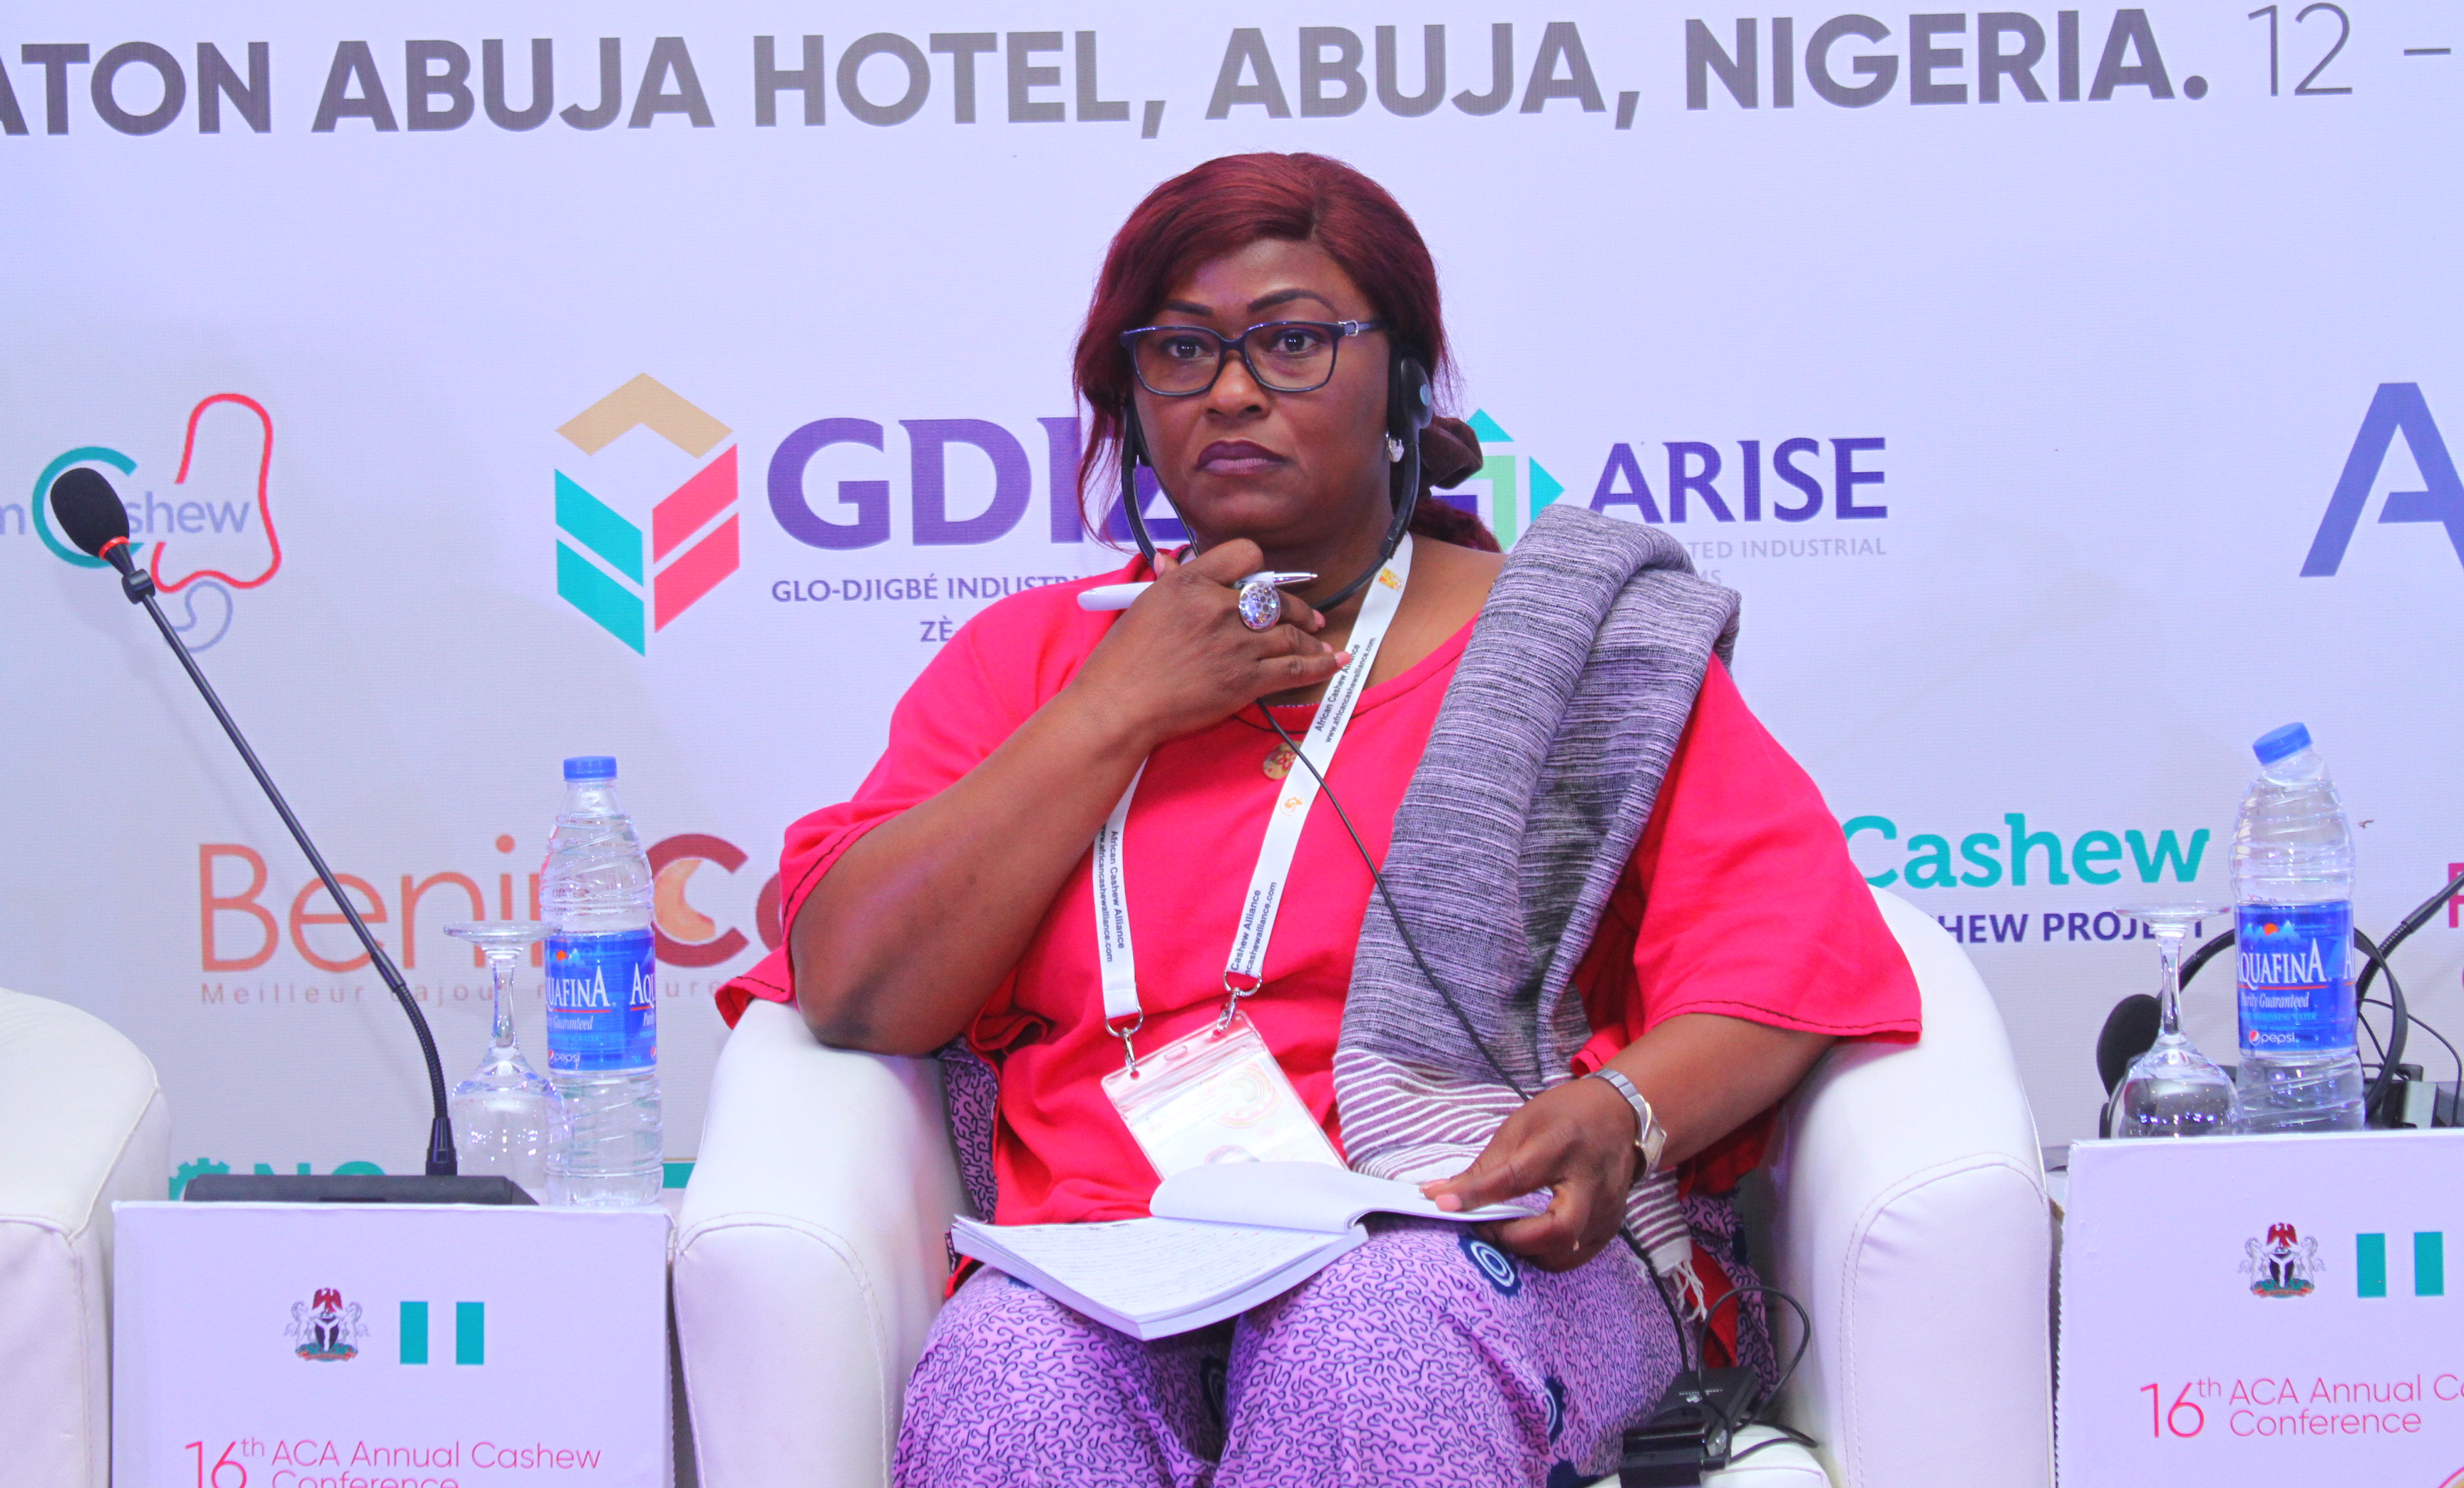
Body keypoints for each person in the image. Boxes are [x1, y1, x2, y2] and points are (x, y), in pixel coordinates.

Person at [717, 151, 1920, 1487]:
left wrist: (1622, 1110)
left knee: (1367, 1341)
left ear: (1401, 383)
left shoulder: (1580, 649)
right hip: (1109, 1260)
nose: (1231, 390)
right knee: (1008, 1380)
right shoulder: (1033, 663)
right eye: (1181, 348)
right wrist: (1116, 709)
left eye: (1292, 341)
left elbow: (1790, 965)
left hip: (1467, 1242)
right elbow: (857, 988)